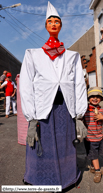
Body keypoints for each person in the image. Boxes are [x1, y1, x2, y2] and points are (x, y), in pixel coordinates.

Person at [20, 1, 87, 189]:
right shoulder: (33, 54)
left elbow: (79, 85)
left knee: (65, 145)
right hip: (43, 109)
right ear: (45, 26)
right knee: (43, 146)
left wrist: (79, 116)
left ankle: (66, 178)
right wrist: (31, 118)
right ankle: (39, 178)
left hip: (65, 110)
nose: (54, 24)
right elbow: (25, 85)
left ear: (61, 26)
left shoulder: (71, 56)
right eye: (50, 21)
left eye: (57, 21)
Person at [83, 87, 103, 183]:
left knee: (96, 153)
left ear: (101, 99)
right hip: (90, 138)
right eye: (92, 96)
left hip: (99, 137)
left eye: (97, 96)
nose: (95, 98)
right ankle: (97, 171)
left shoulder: (102, 110)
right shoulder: (85, 110)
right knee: (94, 155)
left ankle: (93, 167)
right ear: (88, 98)